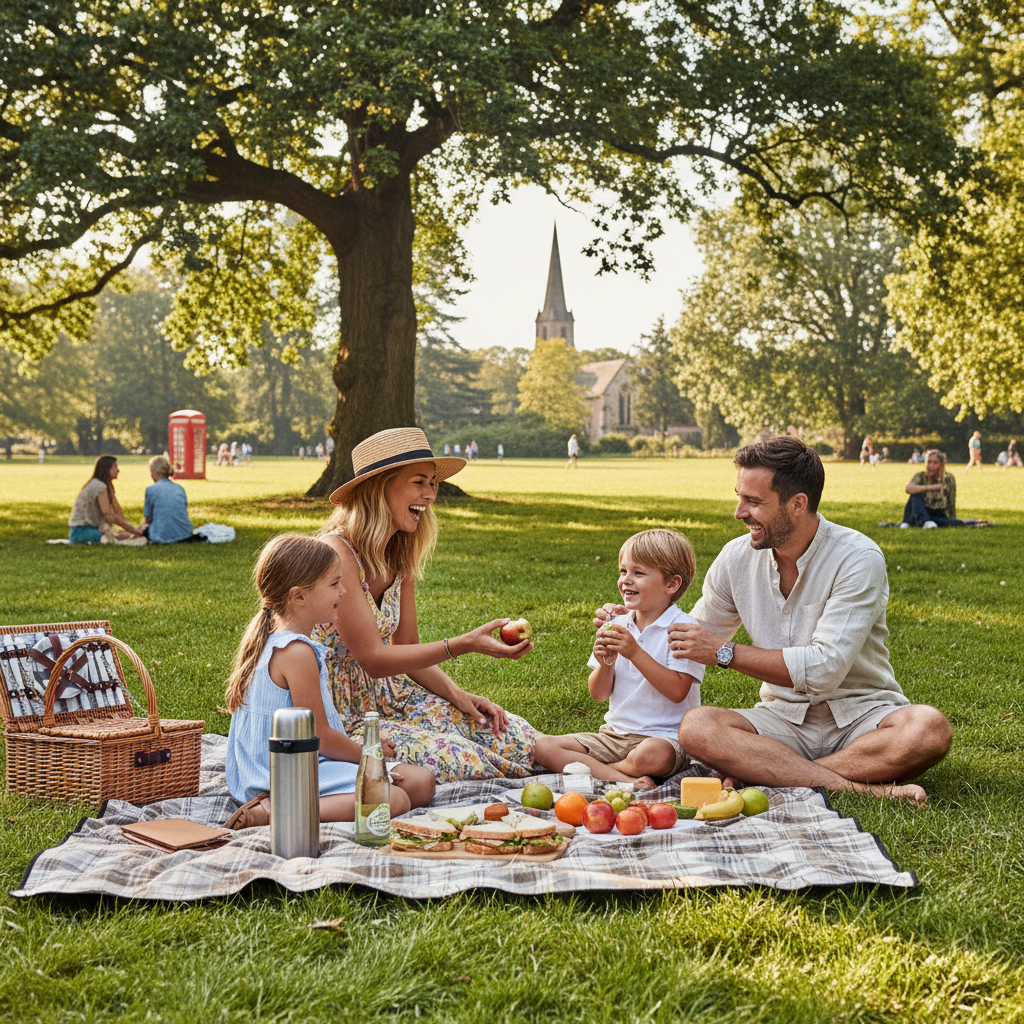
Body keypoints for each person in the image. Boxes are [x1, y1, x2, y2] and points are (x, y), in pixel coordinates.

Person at [597, 436, 952, 803]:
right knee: (698, 727)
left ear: (798, 504)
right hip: (781, 719)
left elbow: (823, 670)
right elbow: (687, 636)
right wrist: (637, 618)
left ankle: (773, 773)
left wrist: (725, 653)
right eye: (740, 497)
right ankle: (854, 786)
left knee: (928, 728)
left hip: (862, 716)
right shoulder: (736, 558)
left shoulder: (857, 557)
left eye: (753, 501)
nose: (739, 512)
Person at [311, 427, 538, 782]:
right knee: (466, 758)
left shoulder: (400, 552)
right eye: (419, 482)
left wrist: (457, 695)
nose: (430, 495)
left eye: (433, 483)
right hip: (343, 716)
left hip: (393, 697)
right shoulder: (337, 553)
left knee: (509, 735)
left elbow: (407, 648)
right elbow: (372, 659)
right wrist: (464, 645)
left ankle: (610, 761)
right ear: (379, 487)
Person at [223, 534, 436, 828]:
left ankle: (298, 803)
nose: (345, 591)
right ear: (298, 597)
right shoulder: (296, 652)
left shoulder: (277, 639)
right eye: (334, 584)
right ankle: (274, 812)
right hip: (280, 773)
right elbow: (320, 736)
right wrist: (368, 757)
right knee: (394, 799)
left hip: (305, 761)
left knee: (421, 783)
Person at [533, 529, 705, 786]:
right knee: (542, 746)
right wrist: (605, 663)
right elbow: (599, 694)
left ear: (671, 584)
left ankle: (600, 770)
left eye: (639, 573)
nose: (626, 580)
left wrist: (634, 652)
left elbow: (678, 691)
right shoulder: (616, 625)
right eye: (623, 571)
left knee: (652, 756)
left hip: (664, 739)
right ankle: (624, 778)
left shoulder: (684, 630)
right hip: (613, 736)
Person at [68, 455, 147, 545]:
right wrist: (133, 530)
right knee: (111, 540)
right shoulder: (98, 486)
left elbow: (117, 510)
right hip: (81, 531)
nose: (118, 470)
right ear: (106, 469)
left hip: (92, 530)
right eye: (115, 467)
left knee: (118, 536)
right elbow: (109, 515)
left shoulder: (106, 485)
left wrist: (129, 531)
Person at [137, 455, 199, 543]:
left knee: (144, 527)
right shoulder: (179, 488)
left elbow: (148, 517)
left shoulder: (151, 490)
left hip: (161, 536)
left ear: (155, 472)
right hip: (185, 534)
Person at [901, 449, 963, 528]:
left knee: (958, 523)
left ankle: (917, 522)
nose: (931, 466)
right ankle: (924, 521)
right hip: (921, 510)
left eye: (935, 462)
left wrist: (952, 519)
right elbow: (908, 489)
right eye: (929, 462)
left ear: (941, 464)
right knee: (915, 493)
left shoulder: (948, 478)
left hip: (938, 513)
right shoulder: (920, 476)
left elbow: (951, 501)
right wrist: (932, 487)